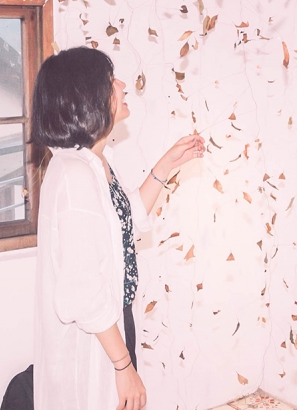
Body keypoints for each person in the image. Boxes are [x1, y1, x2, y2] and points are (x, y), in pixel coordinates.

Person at [31, 47, 205, 410]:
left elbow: (125, 220)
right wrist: (123, 365)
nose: (122, 85)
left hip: (112, 322)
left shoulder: (94, 163)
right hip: (96, 336)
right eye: (110, 81)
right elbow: (82, 288)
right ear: (87, 96)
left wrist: (166, 165)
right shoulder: (75, 174)